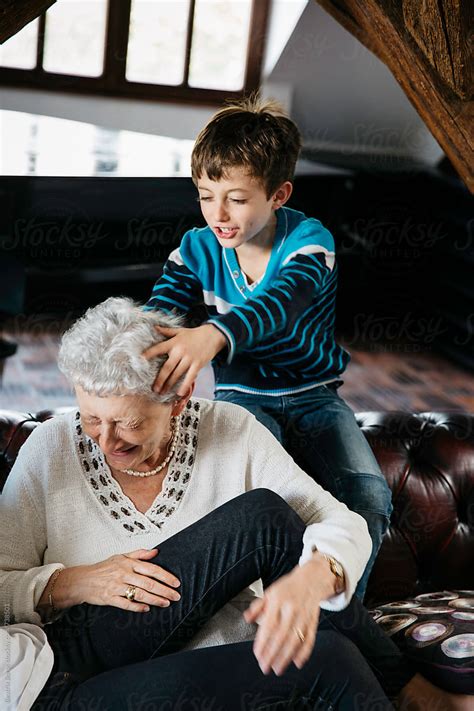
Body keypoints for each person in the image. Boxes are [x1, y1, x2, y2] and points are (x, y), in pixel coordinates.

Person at [0, 296, 464, 710]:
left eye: (128, 424)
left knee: (267, 517)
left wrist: (313, 578)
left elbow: (337, 522)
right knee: (331, 659)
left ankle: (408, 690)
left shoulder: (230, 428)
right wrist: (72, 582)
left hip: (164, 658)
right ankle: (409, 693)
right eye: (89, 419)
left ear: (177, 401)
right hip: (70, 662)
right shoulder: (51, 447)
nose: (105, 439)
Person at [143, 95, 392, 601]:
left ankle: (337, 623)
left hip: (314, 394)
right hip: (244, 394)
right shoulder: (195, 248)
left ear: (278, 195)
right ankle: (261, 609)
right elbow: (158, 316)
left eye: (236, 198)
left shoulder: (309, 241)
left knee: (368, 493)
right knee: (258, 499)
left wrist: (213, 335)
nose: (218, 213)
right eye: (205, 195)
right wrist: (141, 347)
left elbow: (280, 304)